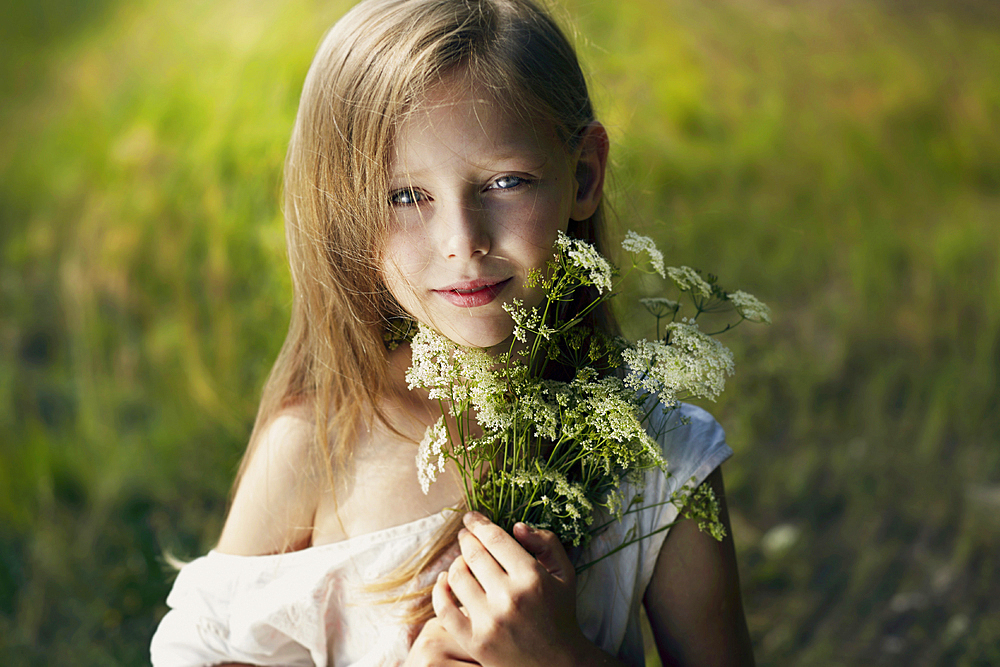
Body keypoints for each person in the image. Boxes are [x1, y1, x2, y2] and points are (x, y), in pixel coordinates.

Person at [150, 0, 755, 665]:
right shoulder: (319, 441)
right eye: (404, 195)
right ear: (344, 211)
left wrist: (562, 657)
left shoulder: (659, 456)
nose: (462, 243)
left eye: (504, 182)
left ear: (583, 174)